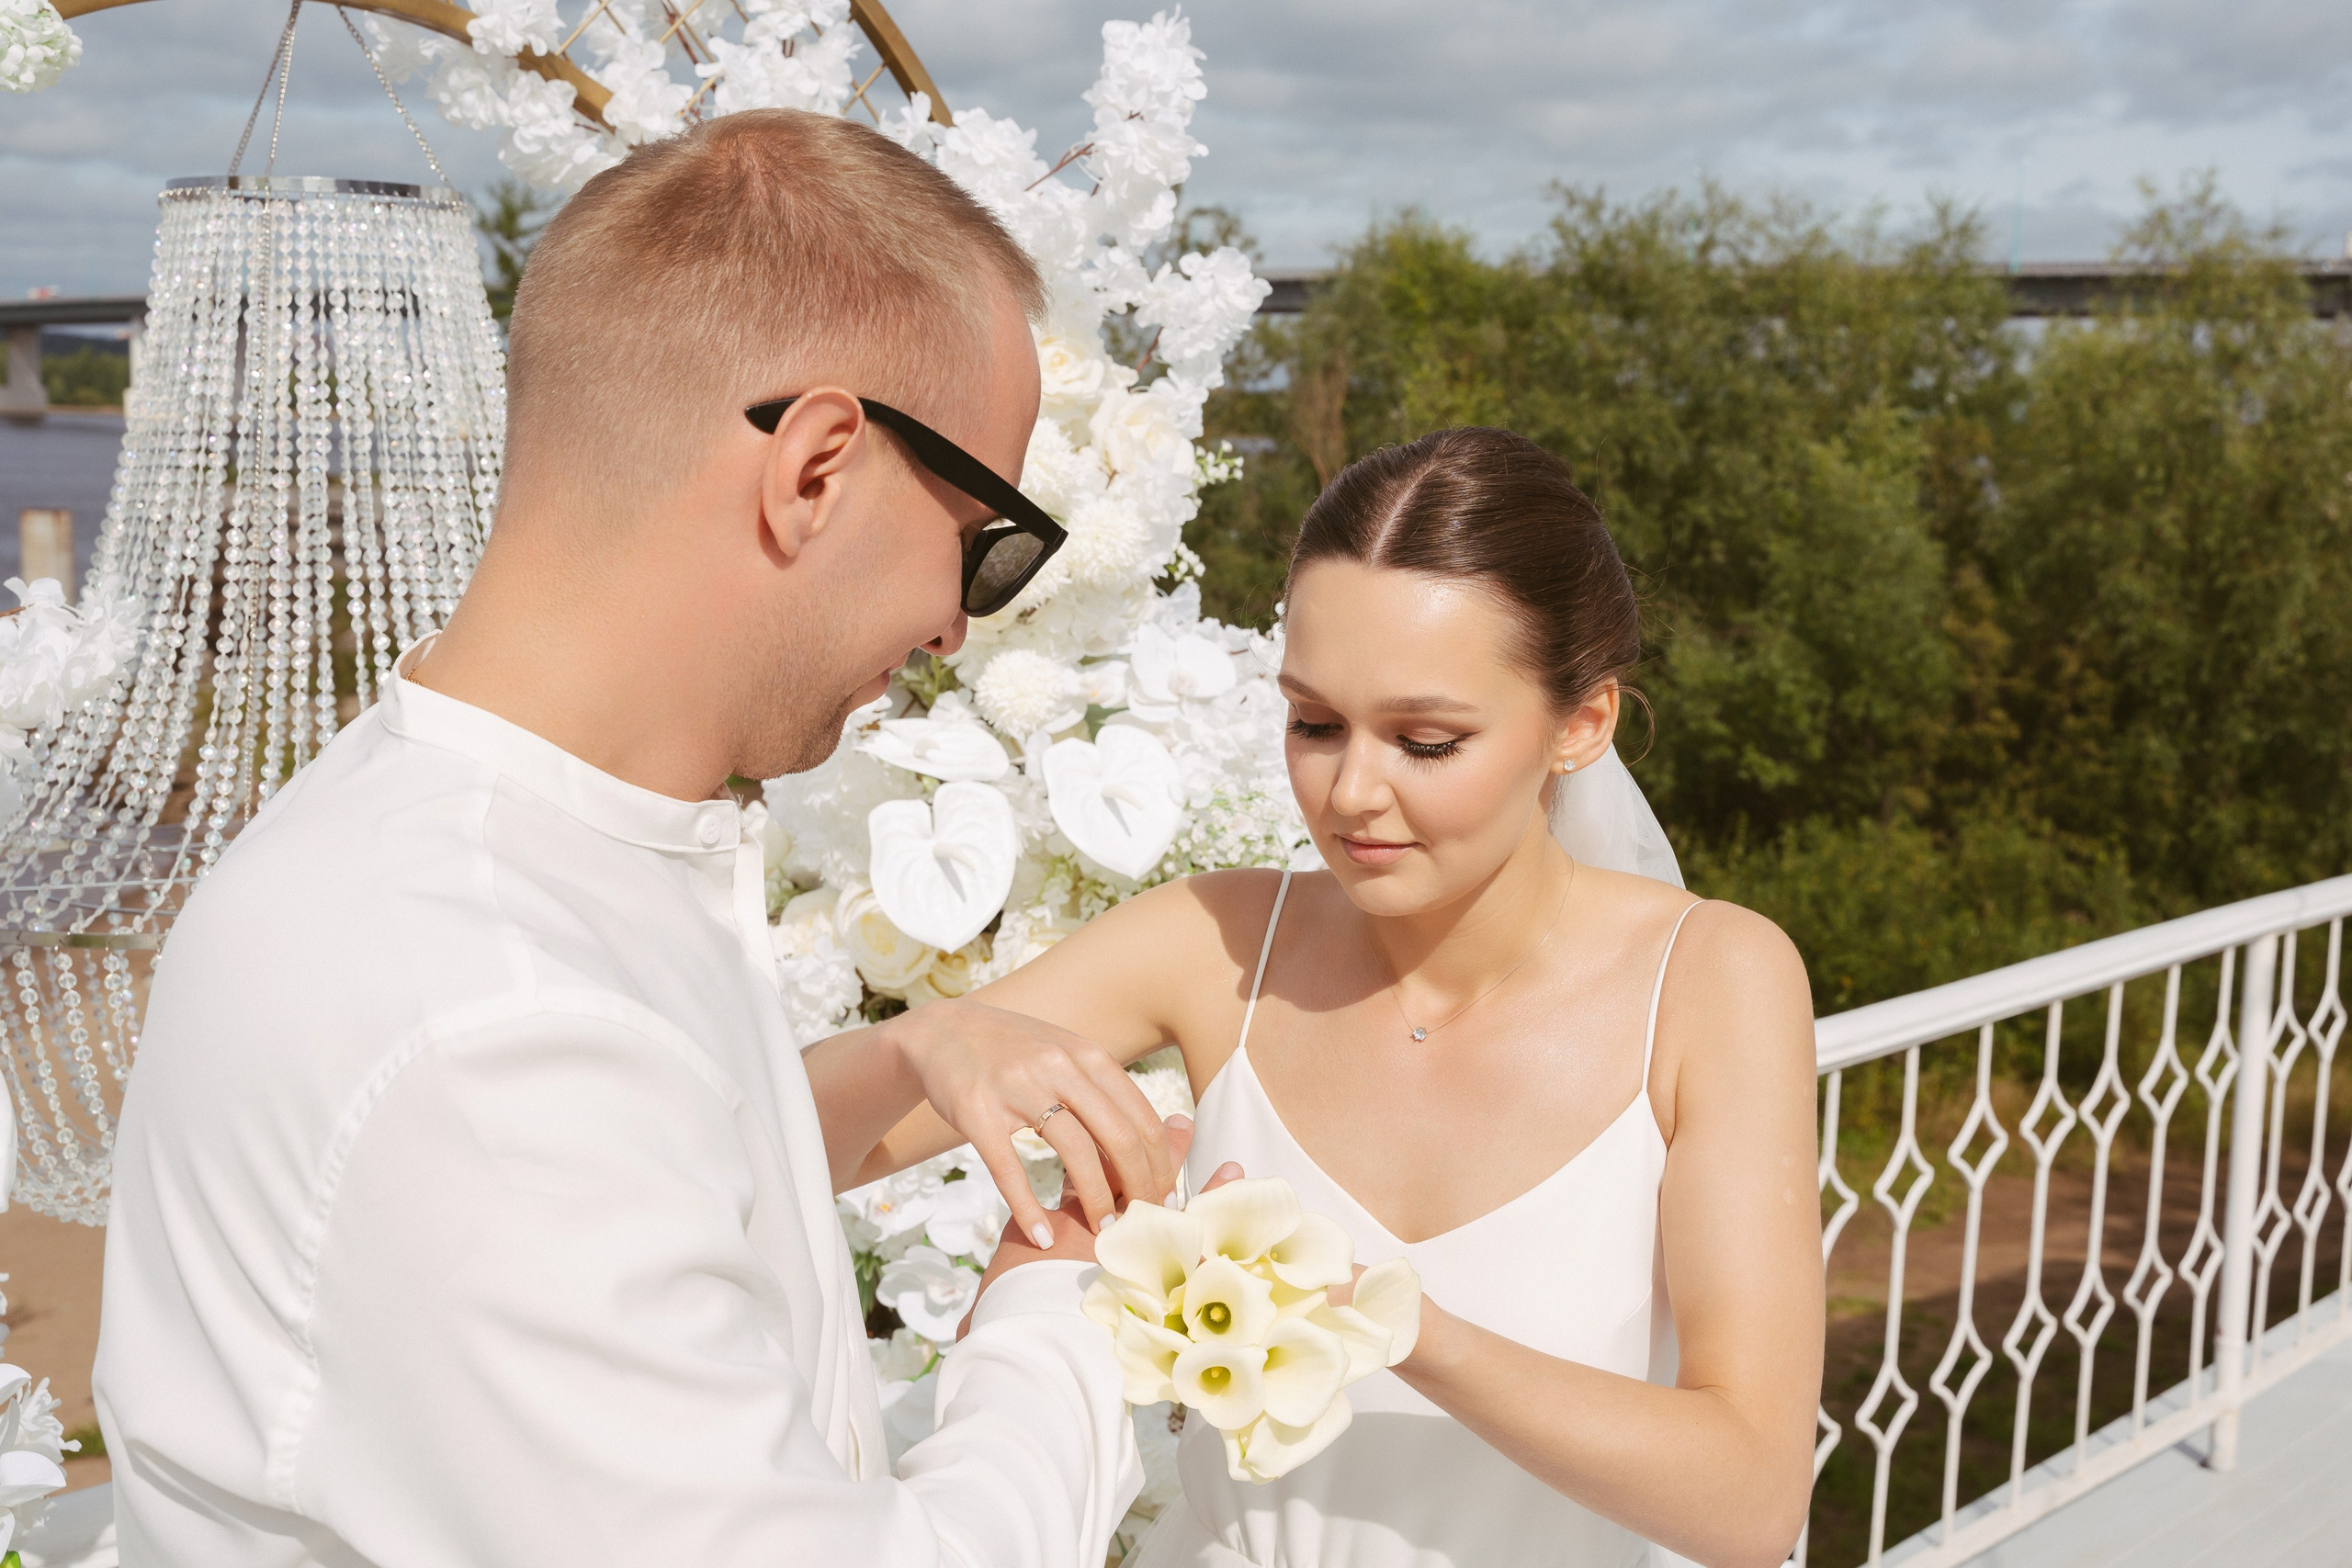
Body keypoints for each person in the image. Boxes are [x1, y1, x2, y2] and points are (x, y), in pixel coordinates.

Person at [93, 108, 1188, 1567]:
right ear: (814, 469)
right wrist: (1066, 1303)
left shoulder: (475, 844)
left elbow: (646, 1161)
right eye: (984, 532)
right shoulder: (492, 1015)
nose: (954, 620)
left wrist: (911, 1052)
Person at [862, 427, 1826, 1567]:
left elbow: (1754, 1500)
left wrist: (1405, 1330)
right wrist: (935, 1041)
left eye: (1426, 741)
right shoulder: (1214, 940)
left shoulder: (1713, 981)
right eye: (1313, 724)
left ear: (1582, 726)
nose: (1351, 793)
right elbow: (768, 1128)